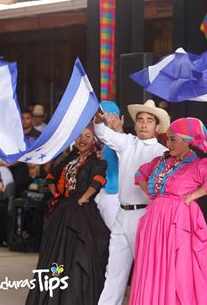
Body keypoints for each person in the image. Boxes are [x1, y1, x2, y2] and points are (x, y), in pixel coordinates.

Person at [129, 118, 207, 305]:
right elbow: (140, 173)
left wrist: (191, 197)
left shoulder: (197, 165)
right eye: (167, 138)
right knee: (153, 267)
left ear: (187, 141)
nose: (168, 143)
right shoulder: (161, 161)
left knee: (177, 270)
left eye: (173, 139)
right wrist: (149, 192)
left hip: (178, 221)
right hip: (155, 222)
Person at [94, 99, 169, 305]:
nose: (144, 124)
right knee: (114, 272)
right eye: (141, 120)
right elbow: (103, 134)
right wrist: (99, 122)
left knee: (145, 273)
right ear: (135, 124)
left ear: (156, 126)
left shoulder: (161, 152)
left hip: (144, 216)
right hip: (122, 214)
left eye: (149, 120)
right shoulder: (126, 142)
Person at [25, 126, 109, 304]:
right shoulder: (68, 159)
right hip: (63, 210)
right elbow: (50, 177)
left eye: (87, 136)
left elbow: (99, 180)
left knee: (78, 252)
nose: (82, 139)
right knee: (56, 255)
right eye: (79, 136)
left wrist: (84, 197)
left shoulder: (97, 162)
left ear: (94, 141)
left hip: (81, 212)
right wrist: (58, 195)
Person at [93, 101, 123, 231]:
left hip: (114, 194)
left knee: (114, 236)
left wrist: (118, 131)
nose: (101, 119)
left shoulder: (121, 139)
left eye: (104, 116)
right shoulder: (99, 142)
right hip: (101, 192)